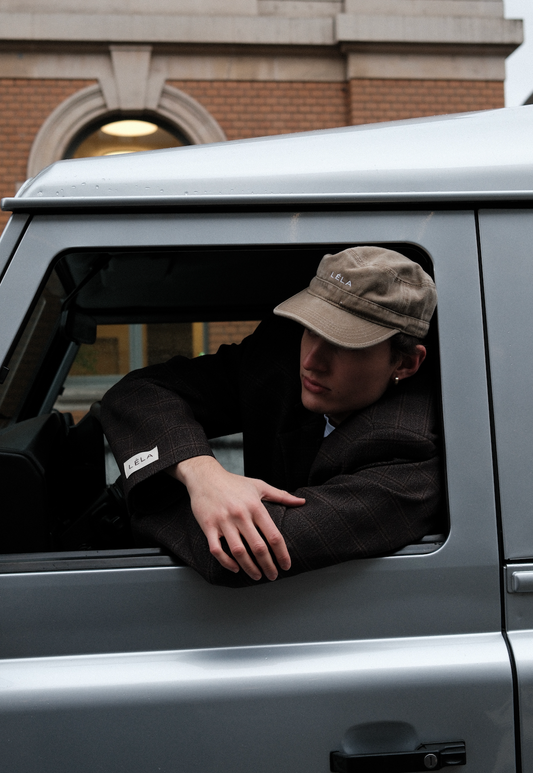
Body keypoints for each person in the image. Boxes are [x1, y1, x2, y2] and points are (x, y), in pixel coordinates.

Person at [101, 246, 442, 587]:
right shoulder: (281, 361)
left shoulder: (412, 450)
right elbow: (138, 392)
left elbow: (241, 554)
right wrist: (203, 475)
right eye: (312, 329)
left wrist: (146, 490)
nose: (312, 361)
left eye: (345, 344)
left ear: (405, 363)